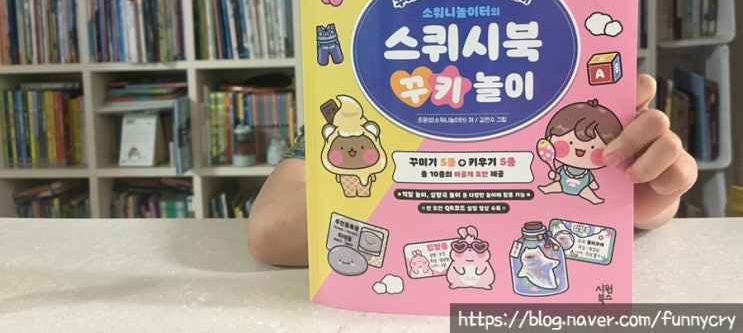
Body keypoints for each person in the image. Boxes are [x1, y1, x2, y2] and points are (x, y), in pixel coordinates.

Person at [247, 74, 698, 267]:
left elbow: (650, 204)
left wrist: (640, 194)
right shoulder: (355, 109)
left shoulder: (564, 92)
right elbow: (274, 230)